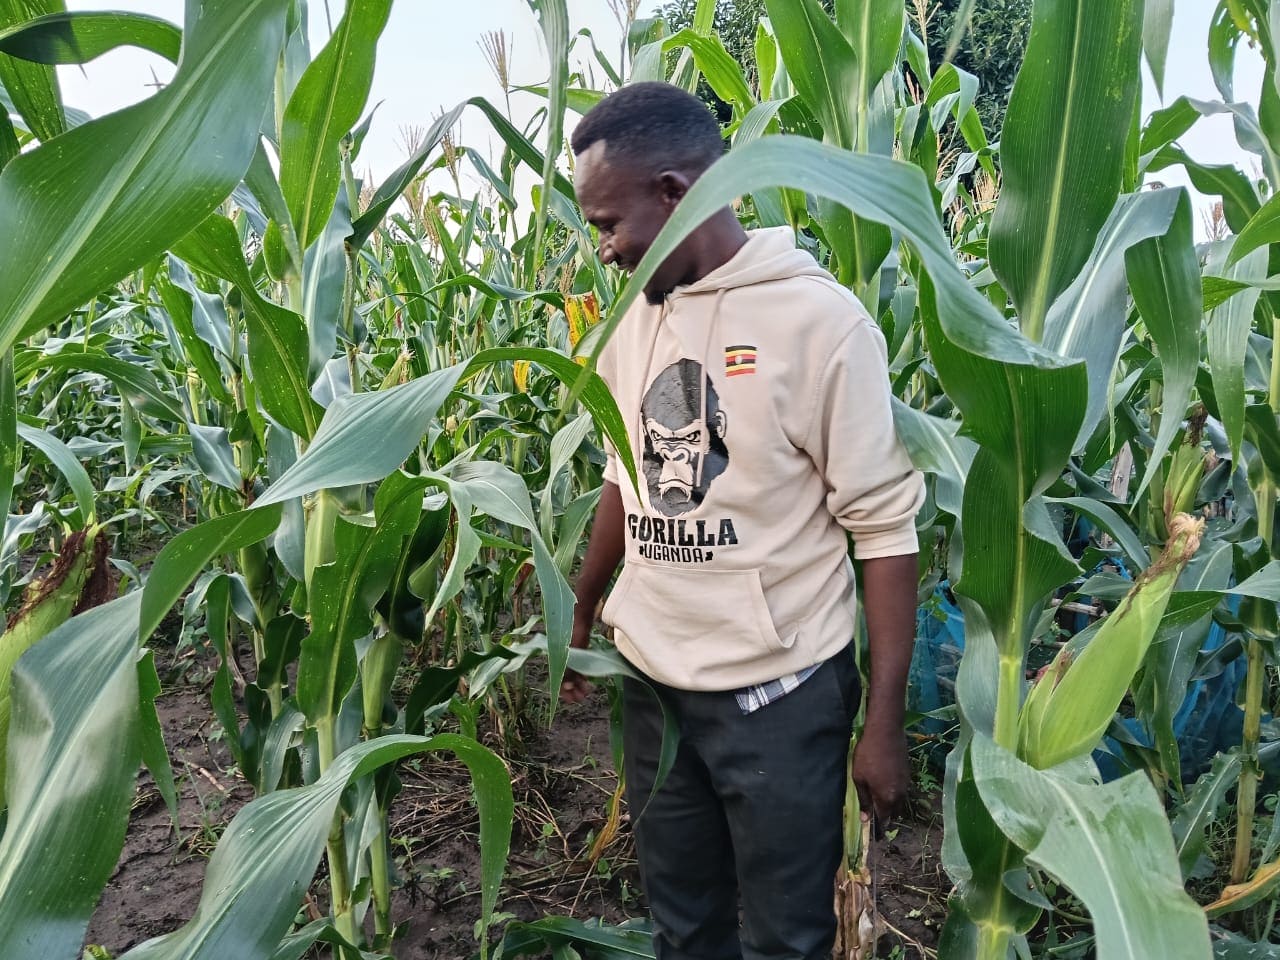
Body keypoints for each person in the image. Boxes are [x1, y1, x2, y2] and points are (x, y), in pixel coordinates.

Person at [560, 81, 925, 960]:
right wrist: (580, 606)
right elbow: (624, 475)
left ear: (676, 192)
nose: (602, 250)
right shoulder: (630, 324)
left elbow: (883, 531)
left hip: (780, 697)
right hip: (655, 684)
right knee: (681, 926)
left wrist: (882, 726)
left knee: (785, 940)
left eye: (609, 224)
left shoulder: (819, 323)